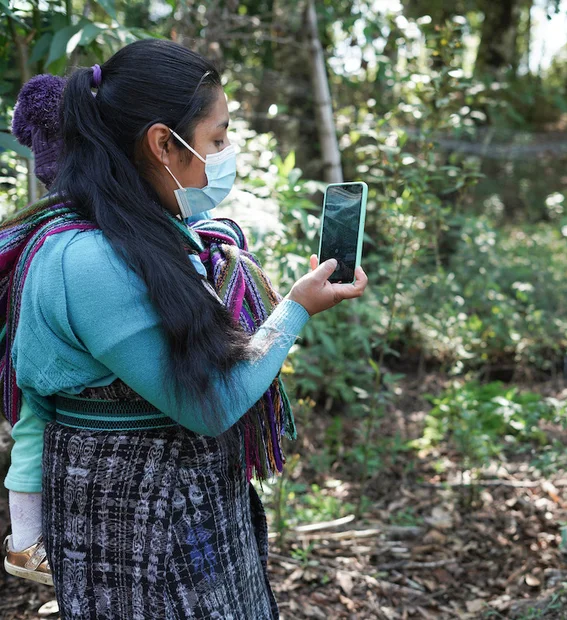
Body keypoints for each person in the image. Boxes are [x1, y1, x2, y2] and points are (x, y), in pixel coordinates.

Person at [1, 39, 367, 619]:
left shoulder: (151, 228)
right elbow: (212, 404)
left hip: (190, 518)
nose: (228, 153)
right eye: (217, 139)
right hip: (137, 532)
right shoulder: (88, 262)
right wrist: (294, 309)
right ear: (162, 144)